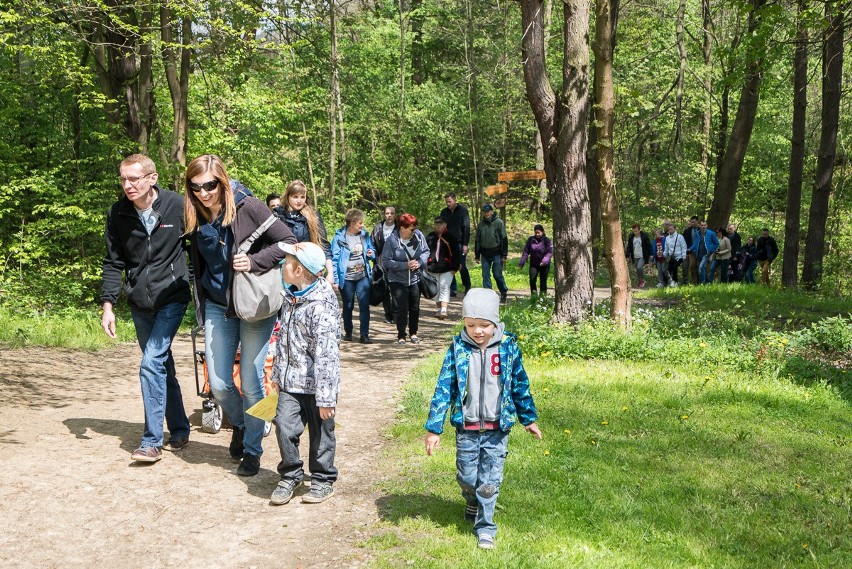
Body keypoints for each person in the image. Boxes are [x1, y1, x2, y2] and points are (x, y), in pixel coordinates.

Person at [185, 154, 296, 477]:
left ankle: (252, 449)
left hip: (254, 306)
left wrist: (256, 261)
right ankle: (247, 423)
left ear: (222, 180)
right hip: (219, 306)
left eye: (210, 186)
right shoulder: (194, 214)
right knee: (218, 384)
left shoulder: (249, 207)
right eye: (196, 188)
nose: (204, 193)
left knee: (251, 379)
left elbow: (289, 241)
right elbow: (198, 263)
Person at [424, 288, 541, 550]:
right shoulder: (457, 350)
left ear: (495, 323)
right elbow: (444, 388)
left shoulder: (508, 349)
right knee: (467, 477)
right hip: (466, 428)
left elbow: (520, 385)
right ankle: (471, 499)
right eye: (471, 325)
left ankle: (486, 527)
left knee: (489, 481)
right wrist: (434, 429)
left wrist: (528, 418)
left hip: (497, 428)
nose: (477, 331)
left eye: (484, 325)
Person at [101, 154, 192, 463]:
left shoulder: (178, 205)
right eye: (124, 179)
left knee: (150, 363)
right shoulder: (118, 214)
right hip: (140, 302)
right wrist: (108, 304)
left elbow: (200, 246)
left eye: (134, 179)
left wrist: (198, 286)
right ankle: (179, 428)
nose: (128, 185)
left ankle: (152, 441)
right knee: (161, 364)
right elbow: (113, 262)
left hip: (173, 296)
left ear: (152, 178)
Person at [269, 241, 340, 505]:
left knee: (321, 435)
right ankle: (291, 473)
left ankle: (322, 478)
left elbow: (327, 355)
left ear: (299, 270)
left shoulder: (321, 306)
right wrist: (277, 374)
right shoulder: (290, 297)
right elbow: (284, 340)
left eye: (286, 262)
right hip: (290, 383)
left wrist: (326, 398)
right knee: (284, 426)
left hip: (317, 388)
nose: (281, 265)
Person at [273, 180, 333, 284]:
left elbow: (324, 245)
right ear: (288, 197)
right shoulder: (277, 215)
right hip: (283, 269)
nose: (299, 201)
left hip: (308, 270)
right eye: (295, 197)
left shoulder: (313, 215)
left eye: (302, 197)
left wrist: (331, 273)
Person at [382, 212, 429, 344]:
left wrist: (419, 263)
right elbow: (386, 261)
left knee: (414, 307)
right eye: (412, 229)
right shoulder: (391, 240)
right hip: (397, 280)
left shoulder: (419, 236)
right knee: (402, 307)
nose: (414, 231)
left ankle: (413, 333)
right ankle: (401, 335)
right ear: (402, 228)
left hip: (415, 279)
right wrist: (405, 265)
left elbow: (426, 251)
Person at [331, 209, 376, 344]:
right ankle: (348, 332)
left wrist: (370, 253)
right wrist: (335, 279)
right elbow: (334, 259)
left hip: (362, 276)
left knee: (364, 306)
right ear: (352, 223)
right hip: (347, 278)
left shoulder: (364, 236)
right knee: (348, 305)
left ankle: (364, 335)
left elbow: (373, 252)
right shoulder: (339, 238)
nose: (362, 225)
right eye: (360, 223)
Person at [426, 216, 460, 319]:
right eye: (437, 224)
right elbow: (424, 252)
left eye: (441, 224)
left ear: (445, 225)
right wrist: (425, 265)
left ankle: (444, 310)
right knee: (435, 288)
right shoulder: (430, 237)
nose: (439, 226)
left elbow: (456, 253)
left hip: (447, 267)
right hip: (433, 267)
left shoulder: (451, 237)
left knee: (444, 286)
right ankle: (438, 309)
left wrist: (455, 267)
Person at [474, 204, 509, 303]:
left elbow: (504, 239)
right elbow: (477, 240)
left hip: (497, 253)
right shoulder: (481, 224)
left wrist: (504, 255)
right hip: (484, 253)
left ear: (492, 212)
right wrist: (477, 255)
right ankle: (488, 295)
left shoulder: (498, 223)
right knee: (485, 275)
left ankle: (503, 291)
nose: (486, 214)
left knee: (497, 274)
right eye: (484, 212)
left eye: (488, 211)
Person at [440, 192, 472, 296]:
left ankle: (467, 286)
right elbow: (441, 226)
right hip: (447, 242)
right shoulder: (444, 212)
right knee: (449, 265)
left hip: (460, 242)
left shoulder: (463, 211)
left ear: (455, 200)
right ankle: (453, 289)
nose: (448, 204)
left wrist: (465, 244)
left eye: (450, 201)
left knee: (461, 266)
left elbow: (466, 228)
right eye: (446, 202)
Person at [371, 205, 397, 323]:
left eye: (391, 213)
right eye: (387, 213)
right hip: (381, 262)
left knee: (396, 289)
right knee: (385, 290)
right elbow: (372, 244)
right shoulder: (378, 228)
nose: (389, 215)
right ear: (384, 214)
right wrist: (373, 255)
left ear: (395, 215)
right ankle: (388, 315)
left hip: (396, 263)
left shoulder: (399, 228)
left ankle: (397, 315)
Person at [518, 224, 553, 295]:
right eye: (536, 232)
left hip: (544, 264)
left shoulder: (547, 240)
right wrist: (522, 262)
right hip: (534, 264)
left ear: (542, 232)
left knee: (543, 281)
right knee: (532, 280)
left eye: (539, 232)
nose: (537, 234)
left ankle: (543, 297)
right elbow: (526, 251)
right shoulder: (531, 240)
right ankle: (534, 296)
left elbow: (549, 253)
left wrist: (544, 261)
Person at [689, 220, 719, 284]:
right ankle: (708, 282)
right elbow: (695, 243)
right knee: (703, 269)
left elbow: (716, 243)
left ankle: (702, 283)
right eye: (702, 225)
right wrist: (690, 249)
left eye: (704, 225)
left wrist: (711, 250)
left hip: (706, 254)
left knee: (701, 268)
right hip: (699, 253)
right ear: (699, 226)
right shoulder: (697, 233)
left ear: (707, 226)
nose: (703, 227)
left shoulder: (711, 233)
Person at [623, 223, 652, 288]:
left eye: (636, 231)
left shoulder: (644, 236)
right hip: (635, 256)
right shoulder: (631, 237)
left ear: (639, 230)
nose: (635, 232)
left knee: (639, 267)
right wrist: (627, 256)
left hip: (643, 255)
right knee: (637, 269)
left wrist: (651, 254)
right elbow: (629, 247)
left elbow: (649, 245)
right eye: (633, 231)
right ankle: (640, 282)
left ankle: (642, 280)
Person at [663, 222, 687, 288]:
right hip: (671, 256)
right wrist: (664, 254)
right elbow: (666, 248)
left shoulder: (680, 237)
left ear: (675, 229)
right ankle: (670, 282)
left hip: (679, 256)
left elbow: (683, 246)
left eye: (671, 229)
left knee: (675, 267)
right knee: (669, 269)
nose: (670, 231)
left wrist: (684, 255)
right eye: (669, 229)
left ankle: (675, 281)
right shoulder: (667, 238)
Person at [682, 216, 700, 285]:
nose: (692, 223)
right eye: (691, 222)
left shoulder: (701, 230)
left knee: (698, 267)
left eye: (694, 222)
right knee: (691, 266)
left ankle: (699, 281)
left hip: (699, 251)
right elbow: (684, 241)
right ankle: (693, 282)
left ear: (697, 222)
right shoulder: (687, 231)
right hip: (690, 252)